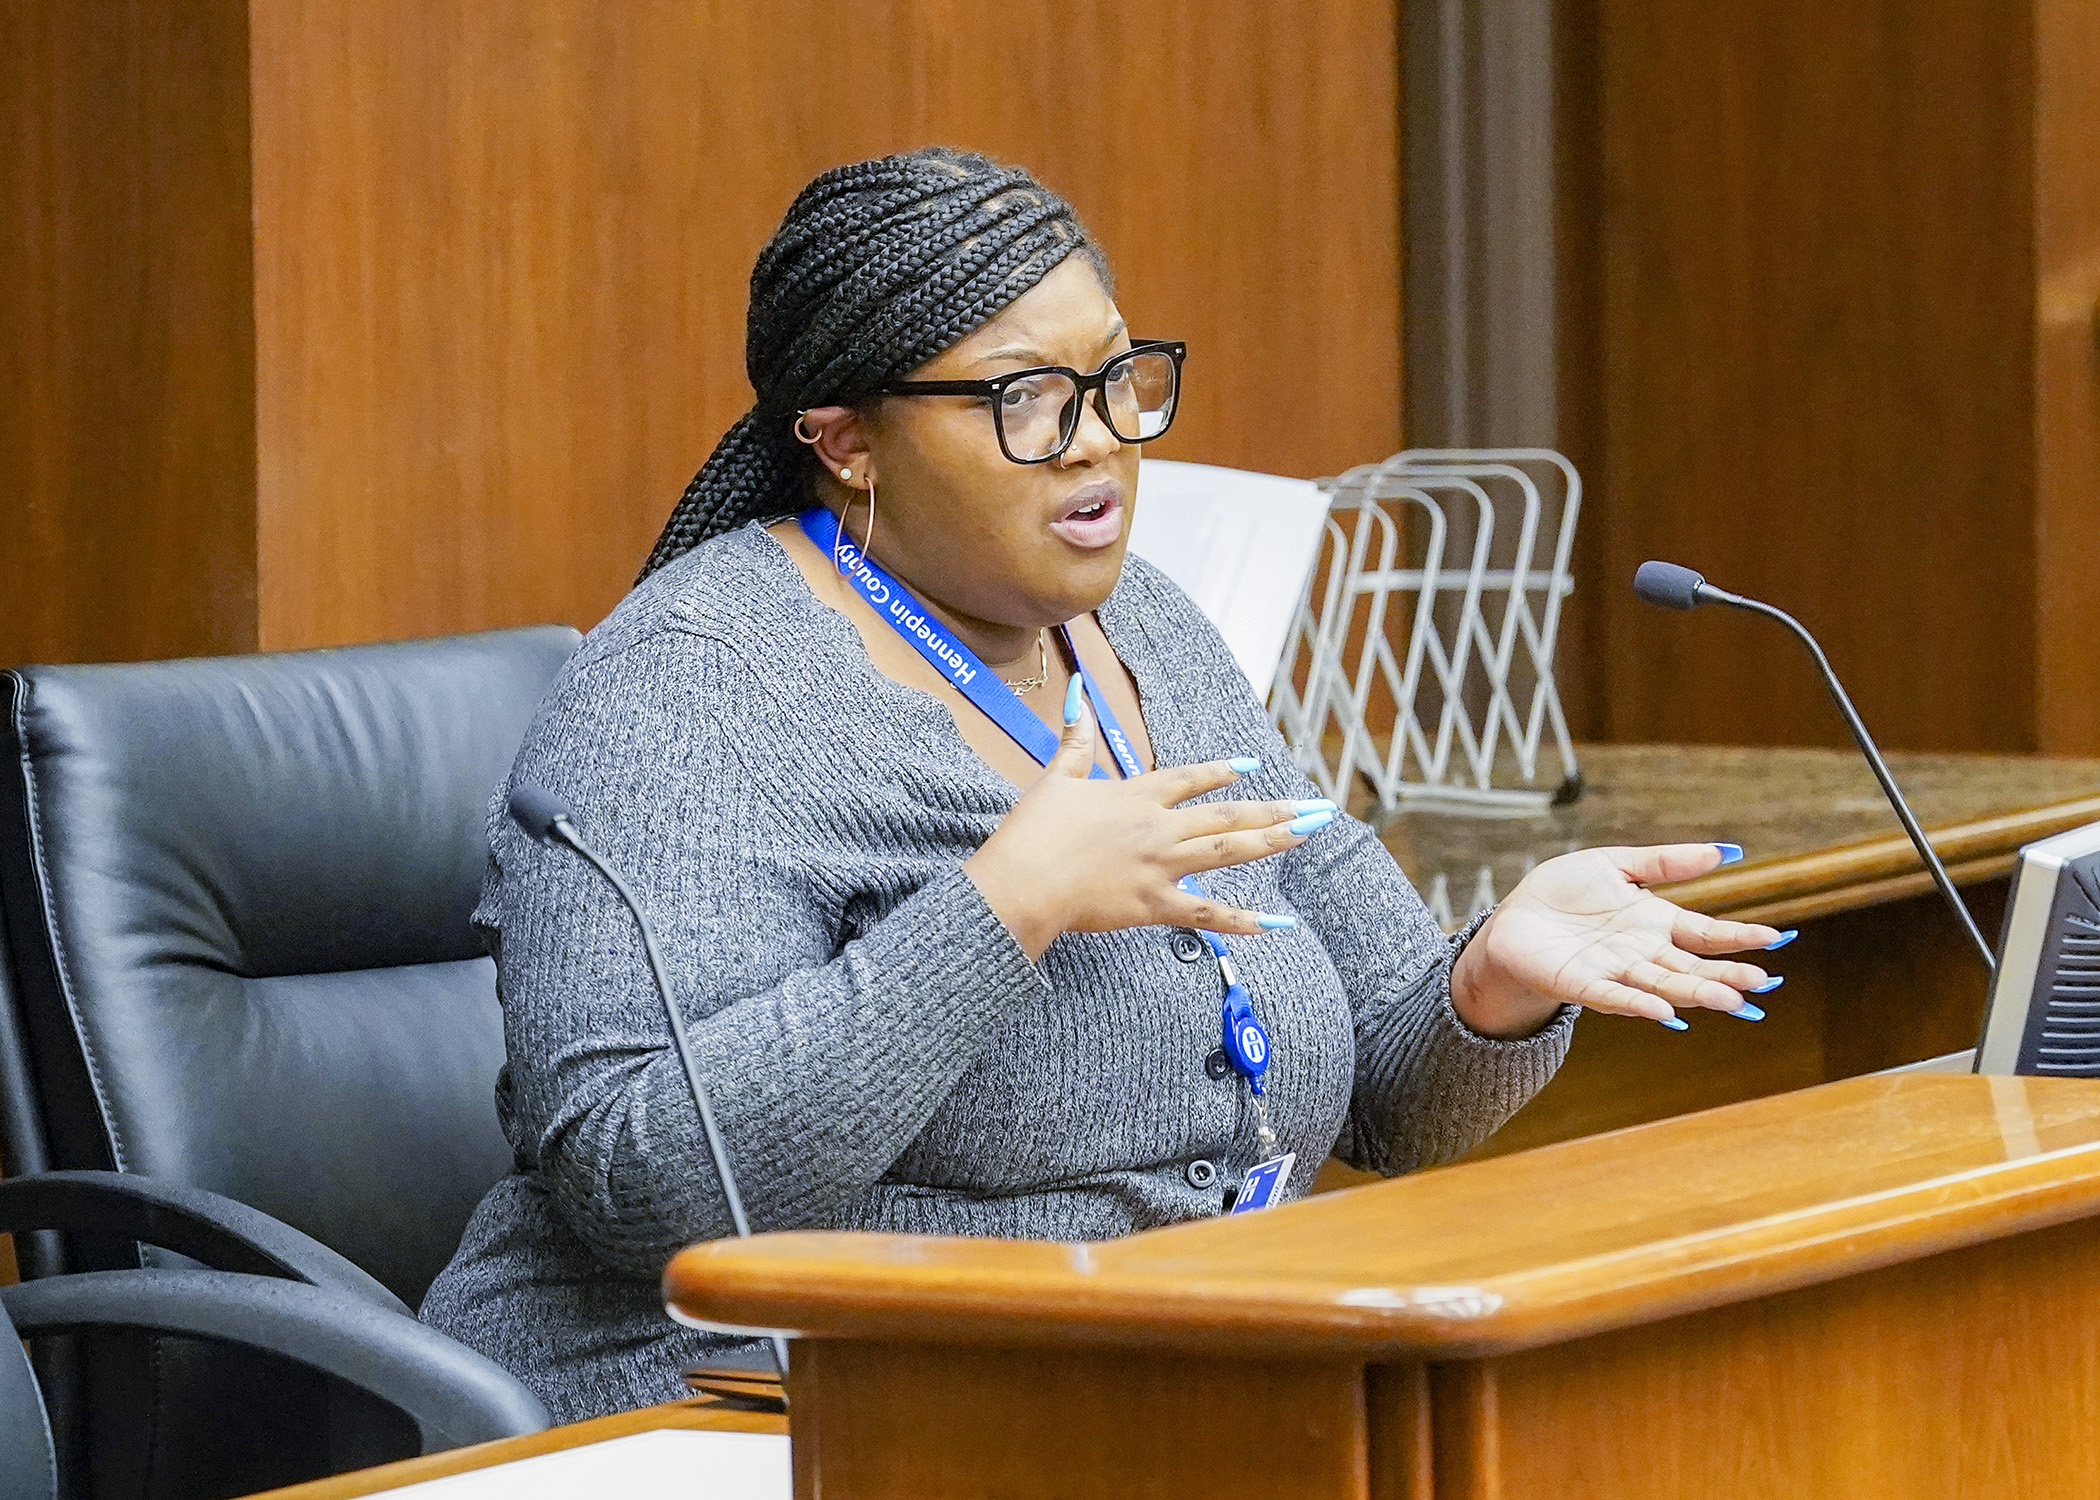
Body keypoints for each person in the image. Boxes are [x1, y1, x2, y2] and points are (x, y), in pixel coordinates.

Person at [419, 148, 1788, 1422]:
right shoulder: (693, 687)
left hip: (1130, 1382)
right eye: (1025, 400)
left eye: (1118, 379)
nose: (1098, 441)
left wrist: (1495, 987)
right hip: (739, 1413)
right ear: (844, 440)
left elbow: (1388, 1099)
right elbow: (643, 1182)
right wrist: (1004, 906)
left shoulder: (1152, 633)